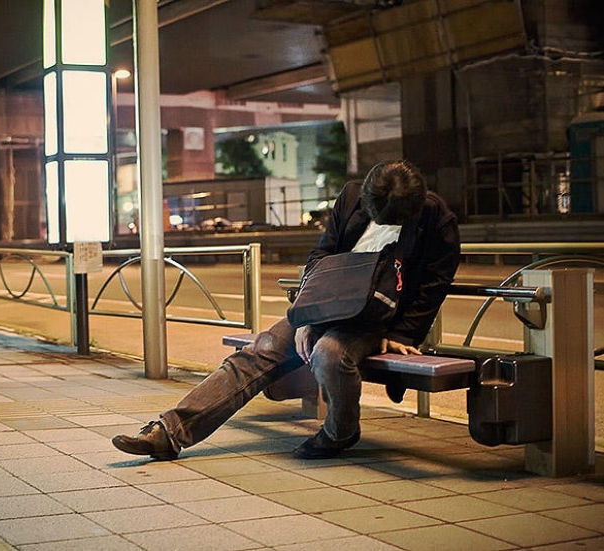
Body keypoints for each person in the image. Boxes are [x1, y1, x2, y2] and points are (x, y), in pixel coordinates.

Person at [112, 160, 461, 460]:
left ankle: (341, 433)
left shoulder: (436, 220)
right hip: (325, 305)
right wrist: (304, 316)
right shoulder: (353, 196)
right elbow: (319, 258)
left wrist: (402, 334)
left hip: (377, 320)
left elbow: (435, 284)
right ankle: (170, 432)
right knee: (259, 350)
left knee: (329, 353)